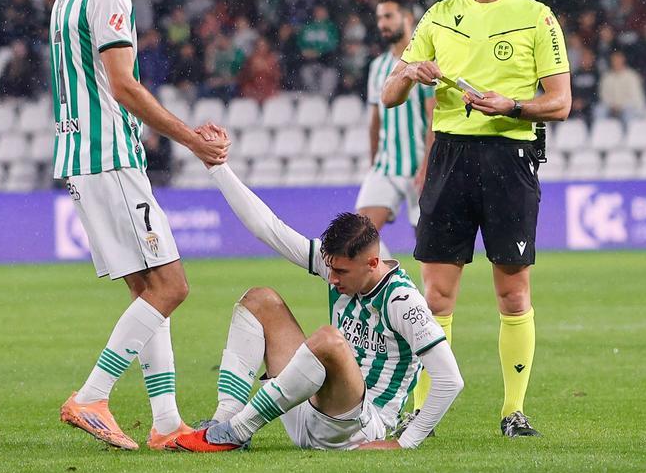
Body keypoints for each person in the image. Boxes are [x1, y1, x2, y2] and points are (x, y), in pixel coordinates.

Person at [50, 0, 230, 450]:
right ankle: (92, 396)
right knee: (172, 286)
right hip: (111, 156)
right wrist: (191, 140)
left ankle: (166, 423)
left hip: (81, 157)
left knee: (148, 293)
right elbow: (124, 86)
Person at [381, 0, 571, 438]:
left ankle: (514, 411)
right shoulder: (439, 16)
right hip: (449, 158)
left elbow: (560, 102)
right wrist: (409, 72)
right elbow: (388, 97)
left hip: (510, 159)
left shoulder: (537, 17)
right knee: (436, 296)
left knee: (512, 293)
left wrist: (510, 106)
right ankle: (426, 411)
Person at [173, 161, 462, 452]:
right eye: (330, 269)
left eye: (342, 272)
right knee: (260, 300)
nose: (332, 279)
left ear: (373, 263)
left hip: (358, 428)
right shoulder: (338, 269)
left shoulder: (402, 301)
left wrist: (404, 443)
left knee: (329, 340)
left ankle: (235, 431)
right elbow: (269, 229)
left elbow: (450, 380)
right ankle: (224, 421)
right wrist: (218, 168)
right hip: (310, 409)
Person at [356, 0, 434, 240]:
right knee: (357, 239)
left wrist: (428, 166)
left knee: (428, 248)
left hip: (420, 166)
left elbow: (435, 119)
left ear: (407, 18)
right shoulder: (377, 66)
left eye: (388, 16)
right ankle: (383, 277)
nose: (382, 24)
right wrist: (373, 163)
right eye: (379, 18)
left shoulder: (425, 62)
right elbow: (374, 121)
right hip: (386, 167)